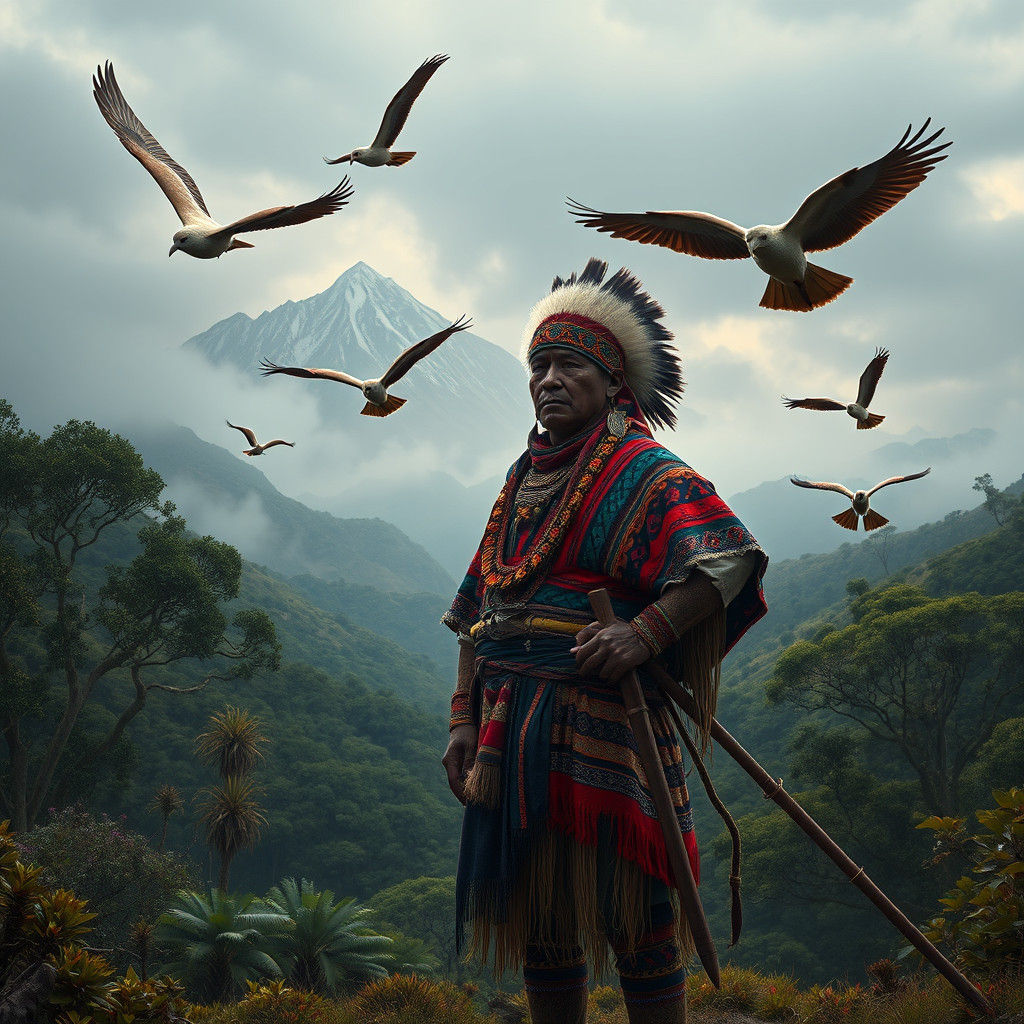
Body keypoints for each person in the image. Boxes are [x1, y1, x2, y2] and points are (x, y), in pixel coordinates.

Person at [441, 259, 768, 1024]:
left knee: (638, 916)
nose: (549, 379)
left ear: (615, 383)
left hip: (608, 727)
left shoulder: (644, 468)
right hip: (508, 728)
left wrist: (643, 633)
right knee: (541, 921)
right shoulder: (523, 476)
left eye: (570, 365)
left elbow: (727, 558)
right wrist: (462, 717)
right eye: (539, 365)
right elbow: (479, 604)